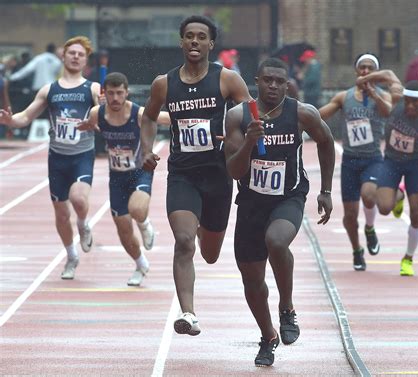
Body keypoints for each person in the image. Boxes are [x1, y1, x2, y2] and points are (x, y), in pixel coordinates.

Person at [140, 15, 253, 335]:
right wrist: (147, 150)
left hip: (218, 175)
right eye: (189, 36)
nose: (194, 41)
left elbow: (252, 117)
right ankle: (188, 313)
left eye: (201, 37)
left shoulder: (227, 79)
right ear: (181, 42)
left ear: (210, 44)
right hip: (182, 174)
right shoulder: (165, 83)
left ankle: (206, 227)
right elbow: (148, 117)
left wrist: (235, 138)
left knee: (211, 254)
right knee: (184, 241)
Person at [224, 58, 335, 366]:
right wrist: (249, 143)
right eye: (267, 80)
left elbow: (326, 143)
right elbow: (233, 171)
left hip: (288, 197)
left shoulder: (302, 113)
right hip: (250, 202)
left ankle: (286, 306)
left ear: (287, 85)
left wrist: (325, 191)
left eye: (279, 81)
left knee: (277, 241)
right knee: (252, 280)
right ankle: (267, 335)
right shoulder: (238, 116)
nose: (273, 86)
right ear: (256, 82)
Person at [0, 36, 101, 280]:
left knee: (78, 199)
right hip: (57, 158)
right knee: (61, 214)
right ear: (63, 57)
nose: (76, 57)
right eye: (72, 53)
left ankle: (84, 223)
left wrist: (99, 119)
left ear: (85, 61)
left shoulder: (93, 88)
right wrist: (10, 120)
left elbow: (105, 116)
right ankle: (71, 256)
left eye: (80, 54)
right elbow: (25, 116)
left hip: (81, 155)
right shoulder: (49, 90)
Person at [78, 72, 170, 286]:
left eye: (120, 93)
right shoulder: (96, 113)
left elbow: (164, 117)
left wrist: (192, 116)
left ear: (126, 93)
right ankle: (140, 264)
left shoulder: (138, 113)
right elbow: (91, 123)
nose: (115, 98)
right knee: (123, 229)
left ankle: (145, 224)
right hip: (116, 177)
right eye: (111, 93)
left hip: (140, 171)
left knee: (136, 209)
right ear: (105, 94)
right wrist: (87, 126)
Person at [357, 71, 418, 276]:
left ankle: (408, 259)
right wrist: (366, 80)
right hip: (391, 161)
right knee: (384, 208)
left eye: (414, 104)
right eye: (407, 102)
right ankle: (399, 194)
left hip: (415, 164)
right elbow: (389, 75)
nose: (409, 107)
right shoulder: (398, 97)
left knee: (417, 213)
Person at [319, 52, 393, 271]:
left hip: (372, 159)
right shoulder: (344, 97)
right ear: (356, 71)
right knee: (350, 215)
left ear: (376, 73)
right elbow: (320, 115)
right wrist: (300, 117)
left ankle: (370, 228)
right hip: (350, 161)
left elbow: (388, 112)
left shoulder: (383, 95)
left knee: (369, 196)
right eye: (362, 67)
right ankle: (357, 250)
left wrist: (373, 93)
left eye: (371, 68)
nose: (366, 71)